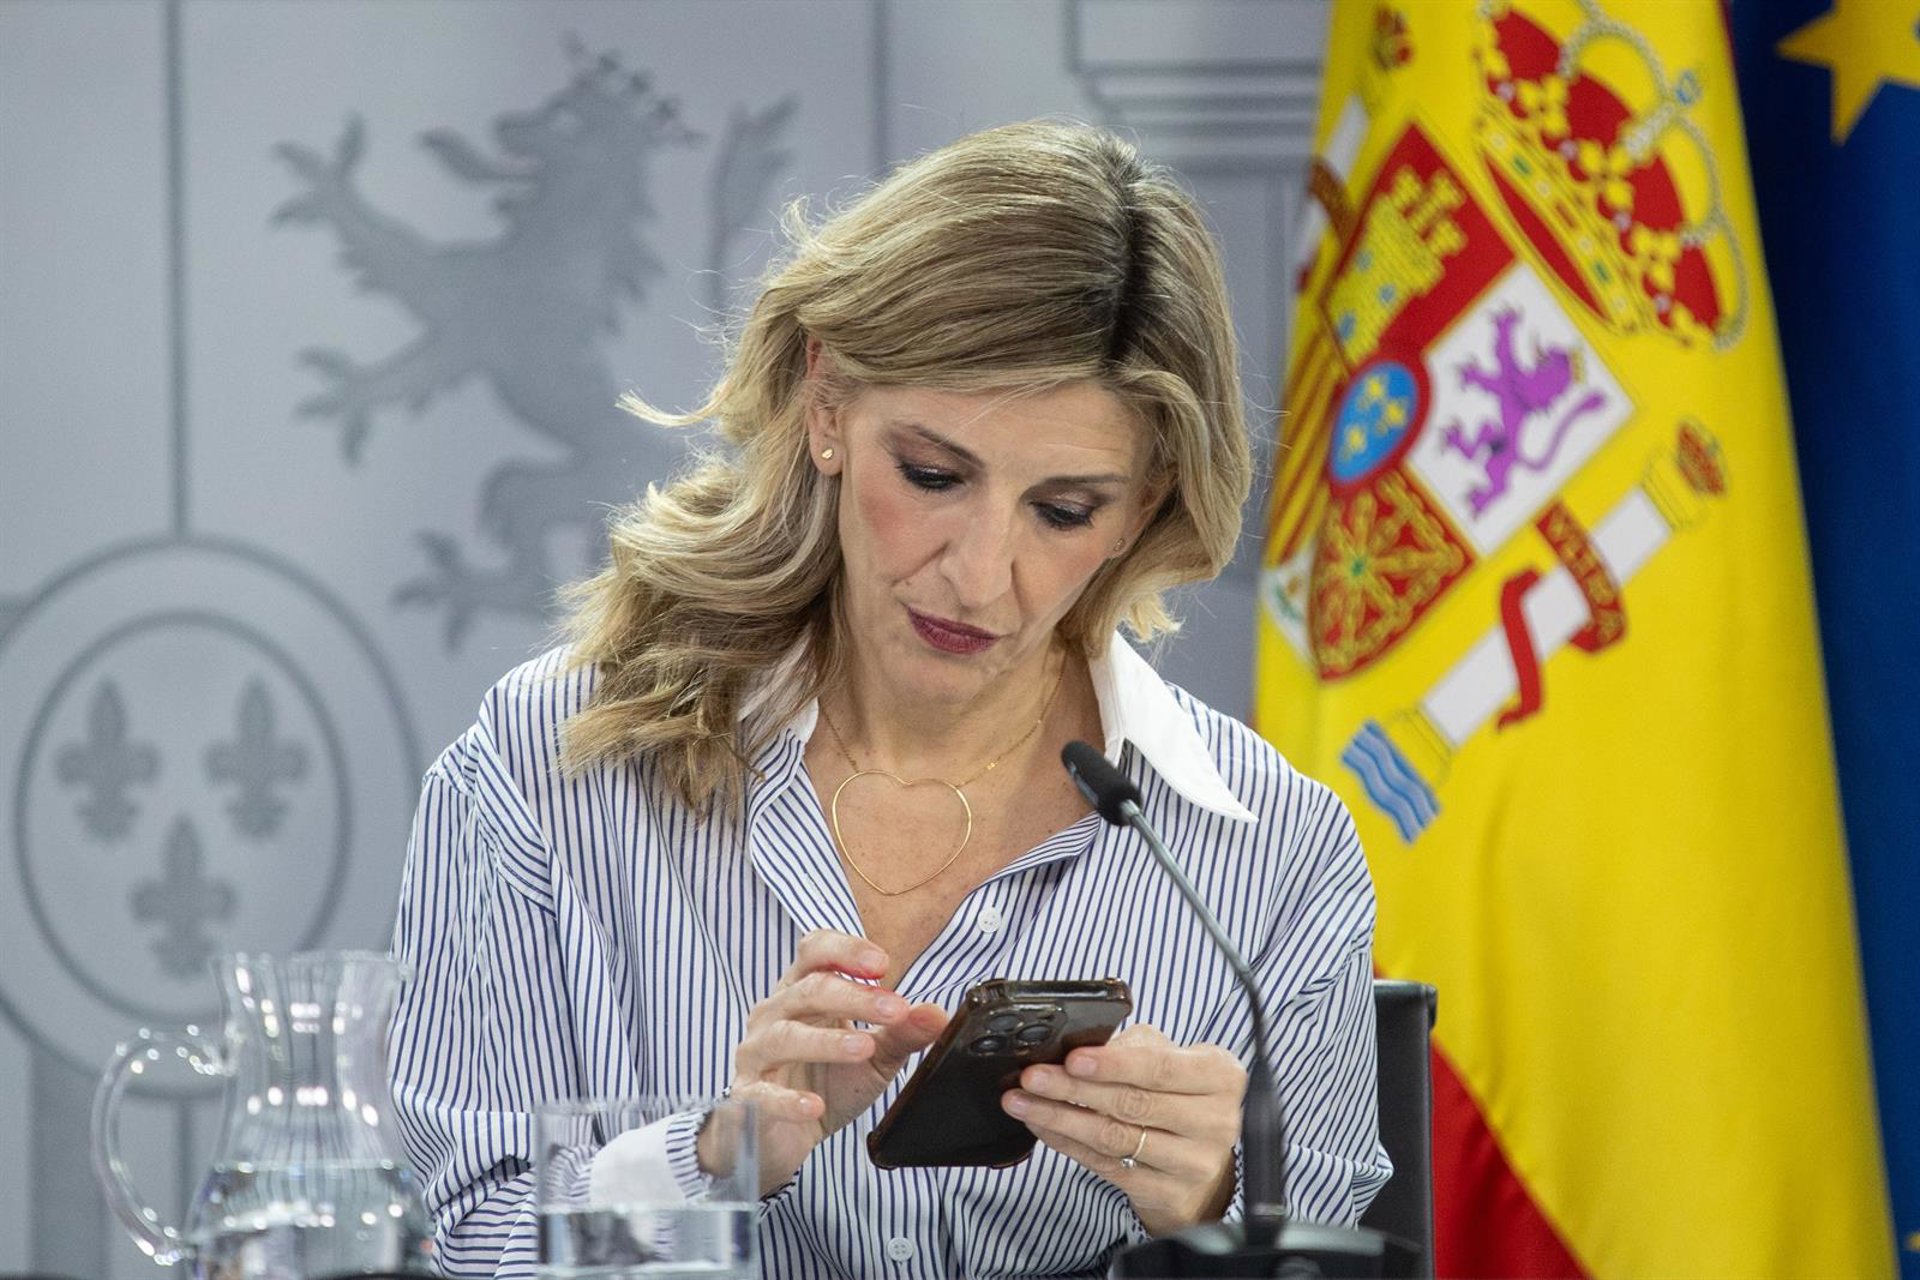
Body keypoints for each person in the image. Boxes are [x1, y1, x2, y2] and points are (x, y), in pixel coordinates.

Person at [388, 119, 1390, 1278]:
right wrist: (712, 1158)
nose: (981, 573)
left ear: (1144, 505)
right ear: (827, 404)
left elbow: (1336, 1256)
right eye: (933, 474)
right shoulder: (546, 765)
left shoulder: (1276, 854)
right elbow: (454, 1242)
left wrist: (1221, 1206)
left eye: (1063, 510)